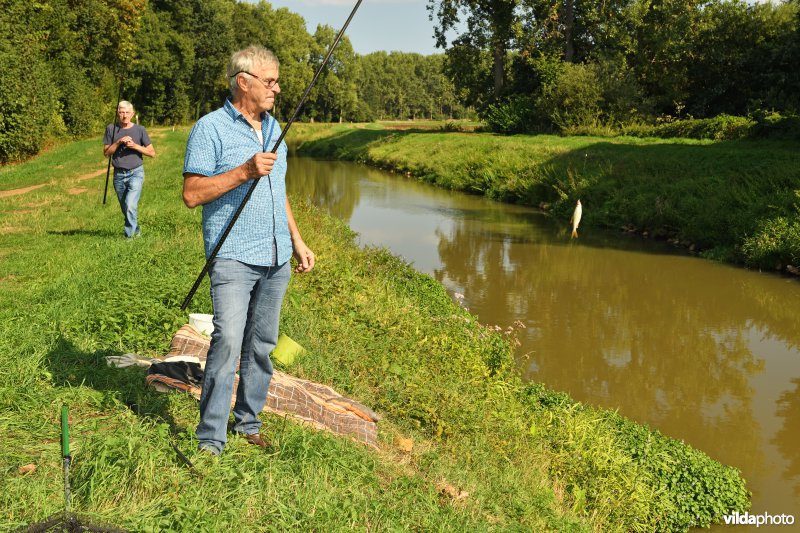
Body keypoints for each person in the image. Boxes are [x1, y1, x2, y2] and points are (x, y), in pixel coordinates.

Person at [182, 45, 315, 456]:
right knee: (226, 344)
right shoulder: (210, 129)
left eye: (277, 81)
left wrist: (296, 239)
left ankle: (248, 424)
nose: (276, 89)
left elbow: (279, 191)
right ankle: (210, 440)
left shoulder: (277, 129)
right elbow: (191, 194)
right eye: (269, 81)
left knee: (261, 345)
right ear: (244, 82)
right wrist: (244, 171)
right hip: (234, 256)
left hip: (276, 257)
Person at [102, 101, 155, 238]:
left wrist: (134, 146)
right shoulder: (111, 128)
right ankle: (135, 230)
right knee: (126, 208)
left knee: (130, 205)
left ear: (132, 114)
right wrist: (118, 142)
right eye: (121, 112)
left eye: (127, 112)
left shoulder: (140, 129)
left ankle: (129, 238)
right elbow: (107, 153)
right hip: (118, 174)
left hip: (136, 173)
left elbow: (151, 153)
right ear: (117, 113)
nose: (124, 115)